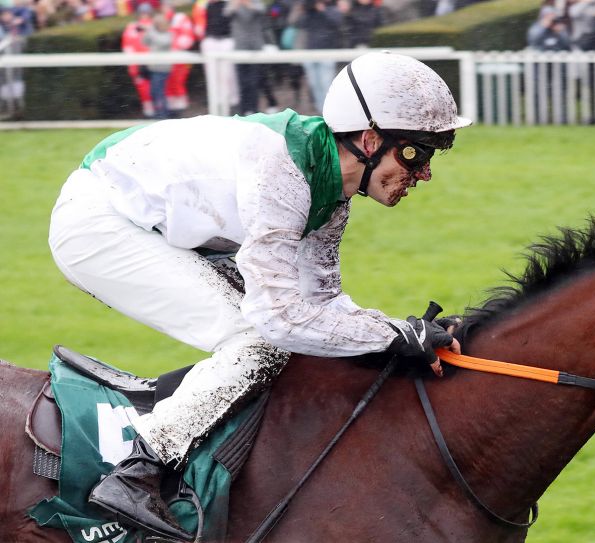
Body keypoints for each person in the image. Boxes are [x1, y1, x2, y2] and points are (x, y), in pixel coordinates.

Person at [48, 51, 471, 541]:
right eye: (415, 154)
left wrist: (404, 333)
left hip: (163, 225)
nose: (423, 175)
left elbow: (323, 305)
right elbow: (281, 318)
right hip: (100, 222)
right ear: (370, 140)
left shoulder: (330, 197)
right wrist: (392, 337)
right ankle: (136, 473)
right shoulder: (281, 172)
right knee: (258, 340)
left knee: (284, 339)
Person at [141, 12, 172, 119]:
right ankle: (160, 113)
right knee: (154, 92)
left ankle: (162, 114)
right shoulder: (153, 33)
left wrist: (150, 30)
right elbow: (144, 42)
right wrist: (147, 32)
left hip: (162, 69)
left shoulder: (167, 34)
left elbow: (162, 42)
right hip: (154, 68)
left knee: (158, 93)